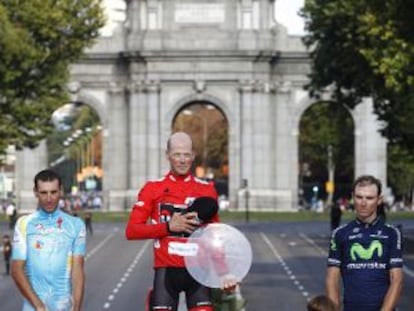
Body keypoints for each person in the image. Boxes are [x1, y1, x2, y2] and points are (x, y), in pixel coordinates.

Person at [125, 132, 237, 311]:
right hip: (166, 272)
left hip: (199, 272)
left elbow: (214, 237)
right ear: (168, 155)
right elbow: (132, 231)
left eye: (186, 154)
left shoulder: (207, 189)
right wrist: (168, 227)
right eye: (177, 154)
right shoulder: (152, 188)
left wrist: (224, 273)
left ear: (193, 156)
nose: (182, 160)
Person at [11, 169, 86, 311]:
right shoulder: (24, 224)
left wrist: (76, 308)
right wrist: (38, 305)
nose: (49, 198)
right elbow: (16, 269)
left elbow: (78, 270)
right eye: (44, 193)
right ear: (35, 192)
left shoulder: (76, 225)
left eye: (54, 192)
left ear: (61, 191)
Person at [326, 175, 403, 311]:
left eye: (369, 198)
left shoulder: (392, 233)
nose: (363, 203)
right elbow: (332, 279)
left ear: (379, 200)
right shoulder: (339, 234)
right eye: (359, 197)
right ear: (352, 197)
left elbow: (396, 280)